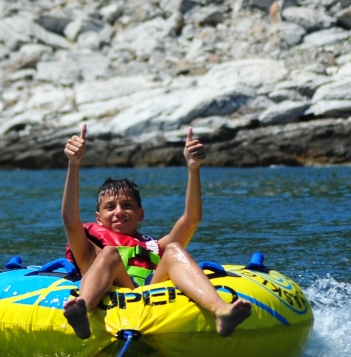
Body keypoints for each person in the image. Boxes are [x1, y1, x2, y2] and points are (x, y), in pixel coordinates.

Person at [61, 123, 251, 339]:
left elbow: (191, 220)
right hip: (116, 285)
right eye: (110, 207)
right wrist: (74, 164)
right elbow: (70, 221)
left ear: (140, 214)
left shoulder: (155, 247)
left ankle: (220, 310)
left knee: (174, 248)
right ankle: (83, 311)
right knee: (110, 253)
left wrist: (193, 168)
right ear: (98, 218)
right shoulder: (89, 251)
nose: (119, 211)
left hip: (153, 286)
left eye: (127, 205)